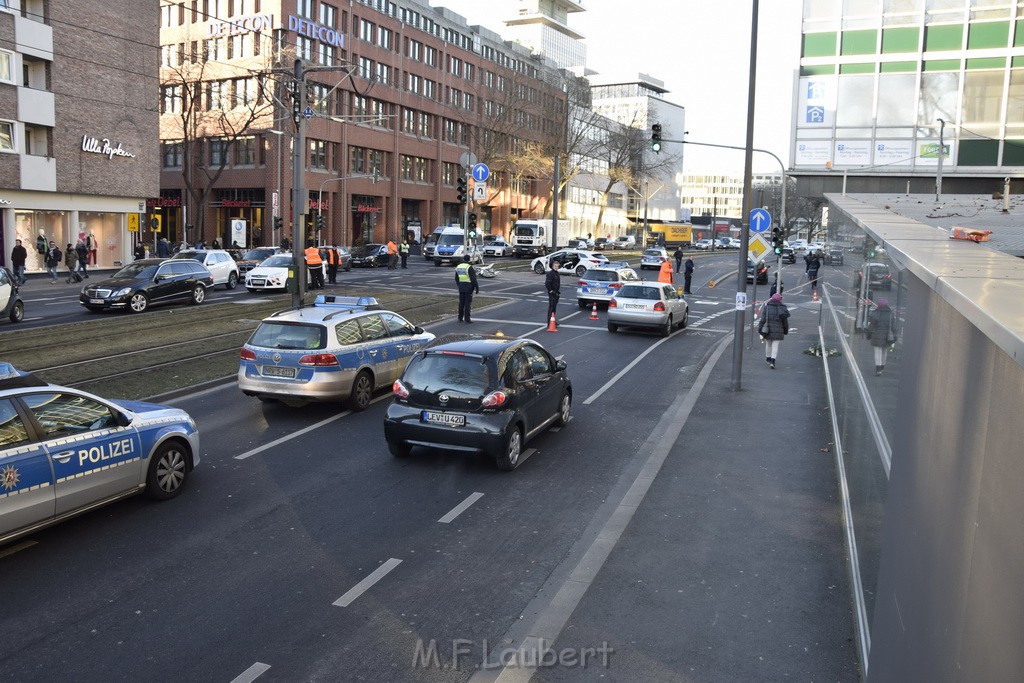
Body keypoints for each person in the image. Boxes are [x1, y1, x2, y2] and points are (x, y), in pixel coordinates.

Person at [758, 292, 791, 369]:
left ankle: (768, 358)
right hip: (779, 330)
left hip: (767, 330)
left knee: (768, 344)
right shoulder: (783, 308)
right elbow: (785, 322)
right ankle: (773, 361)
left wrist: (760, 329)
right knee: (775, 346)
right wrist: (786, 331)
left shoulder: (767, 307)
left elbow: (762, 320)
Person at [866, 298, 897, 376]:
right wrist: (895, 336)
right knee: (884, 351)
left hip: (876, 335)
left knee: (877, 351)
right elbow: (893, 327)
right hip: (887, 336)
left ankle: (878, 368)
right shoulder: (890, 314)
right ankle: (882, 365)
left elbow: (871, 326)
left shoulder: (875, 313)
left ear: (879, 305)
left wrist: (868, 334)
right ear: (887, 305)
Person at [455, 254, 479, 323]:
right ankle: (467, 319)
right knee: (467, 303)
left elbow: (456, 278)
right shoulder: (469, 267)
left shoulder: (458, 267)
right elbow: (473, 279)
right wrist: (476, 288)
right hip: (468, 286)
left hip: (461, 286)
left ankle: (460, 318)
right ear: (469, 259)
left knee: (461, 303)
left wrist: (459, 285)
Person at [545, 259, 561, 326]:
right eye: (555, 266)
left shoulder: (556, 273)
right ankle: (549, 322)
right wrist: (551, 291)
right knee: (551, 308)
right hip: (552, 293)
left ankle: (553, 321)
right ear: (552, 266)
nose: (556, 267)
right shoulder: (550, 274)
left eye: (557, 266)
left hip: (556, 293)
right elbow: (547, 283)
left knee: (554, 308)